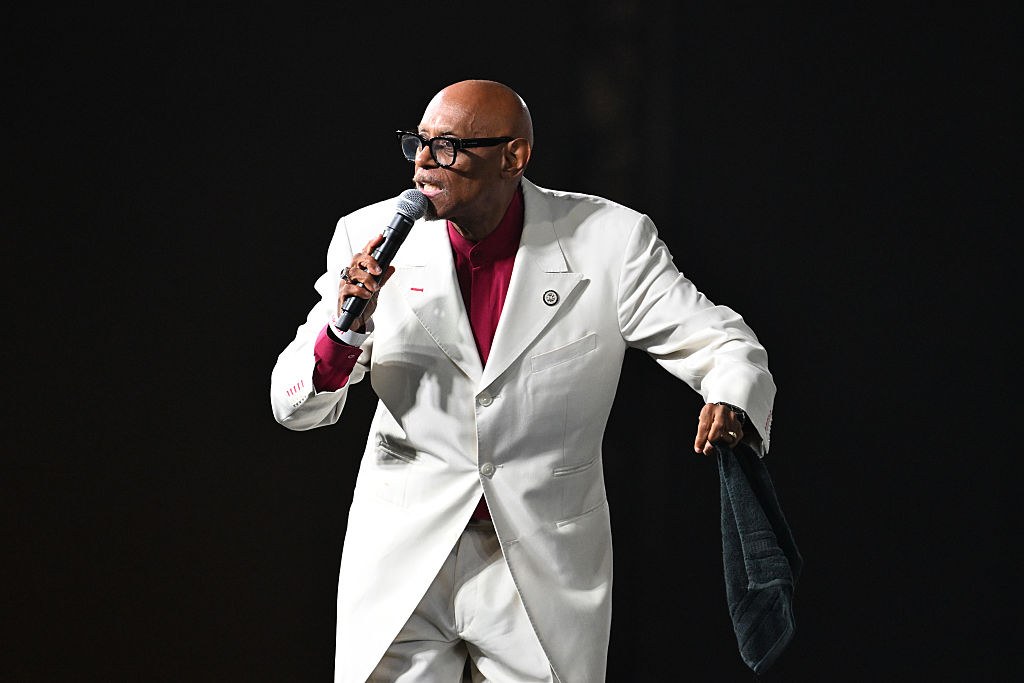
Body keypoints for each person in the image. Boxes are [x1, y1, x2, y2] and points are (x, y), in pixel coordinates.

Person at [271, 80, 775, 683]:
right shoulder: (370, 236)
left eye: (448, 146)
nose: (424, 162)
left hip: (539, 558)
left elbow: (722, 341)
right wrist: (344, 331)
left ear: (513, 156)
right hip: (404, 553)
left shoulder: (609, 241)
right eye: (418, 143)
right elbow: (292, 405)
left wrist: (729, 394)